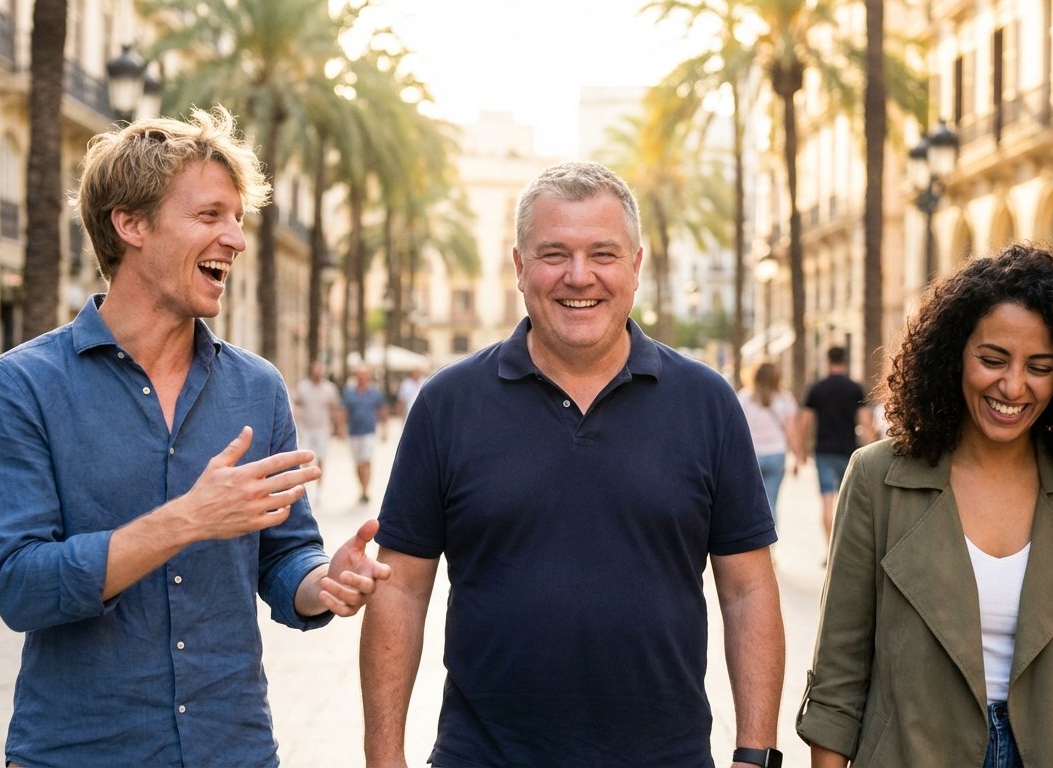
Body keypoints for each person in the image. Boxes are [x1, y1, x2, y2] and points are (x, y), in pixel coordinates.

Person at [0, 107, 391, 768]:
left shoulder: (256, 388)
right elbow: (21, 587)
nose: (236, 238)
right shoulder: (22, 385)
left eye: (239, 219)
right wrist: (187, 520)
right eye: (210, 216)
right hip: (80, 753)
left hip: (234, 748)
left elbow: (284, 557)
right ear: (130, 224)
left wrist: (323, 581)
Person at [359, 161, 785, 768]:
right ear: (519, 267)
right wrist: (383, 758)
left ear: (636, 267)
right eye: (554, 253)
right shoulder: (447, 404)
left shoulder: (706, 402)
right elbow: (400, 588)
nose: (579, 276)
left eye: (603, 254)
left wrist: (757, 753)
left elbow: (747, 589)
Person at [796, 244, 1053, 766]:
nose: (1013, 386)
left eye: (1039, 366)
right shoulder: (876, 478)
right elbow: (839, 677)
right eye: (992, 359)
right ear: (954, 352)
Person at [797, 346, 874, 543]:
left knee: (827, 502)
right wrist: (873, 451)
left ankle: (829, 549)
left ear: (827, 361)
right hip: (849, 451)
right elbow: (866, 423)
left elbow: (804, 422)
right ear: (845, 361)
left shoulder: (817, 387)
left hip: (824, 451)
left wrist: (801, 451)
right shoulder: (854, 388)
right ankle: (843, 546)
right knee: (846, 503)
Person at [738, 360, 800, 520]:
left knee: (750, 503)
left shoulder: (744, 398)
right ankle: (770, 542)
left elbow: (737, 430)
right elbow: (791, 431)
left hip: (751, 456)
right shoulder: (785, 399)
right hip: (777, 454)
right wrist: (797, 458)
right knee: (771, 501)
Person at [293, 359, 341, 506]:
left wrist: (339, 428)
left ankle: (319, 491)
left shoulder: (330, 389)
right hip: (306, 428)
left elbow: (335, 408)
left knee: (321, 459)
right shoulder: (303, 387)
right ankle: (305, 488)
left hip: (323, 429)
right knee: (305, 458)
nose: (318, 372)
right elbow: (296, 404)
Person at [338, 363, 387, 504]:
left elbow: (382, 410)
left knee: (366, 460)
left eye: (364, 375)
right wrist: (340, 429)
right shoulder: (349, 393)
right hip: (354, 433)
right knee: (358, 464)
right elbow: (343, 411)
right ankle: (362, 488)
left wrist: (384, 429)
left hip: (369, 432)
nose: (362, 378)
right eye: (359, 376)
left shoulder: (374, 392)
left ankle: (365, 491)